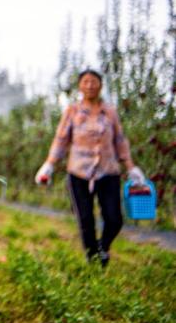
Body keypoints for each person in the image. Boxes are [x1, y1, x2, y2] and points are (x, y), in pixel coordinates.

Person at [34, 69, 145, 267]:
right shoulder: (72, 111)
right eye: (86, 81)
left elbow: (120, 140)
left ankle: (103, 246)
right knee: (85, 219)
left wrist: (131, 167)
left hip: (108, 170)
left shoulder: (110, 112)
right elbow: (61, 139)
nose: (90, 85)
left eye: (94, 81)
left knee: (114, 219)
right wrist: (49, 165)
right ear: (80, 86)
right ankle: (94, 262)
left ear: (101, 85)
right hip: (78, 171)